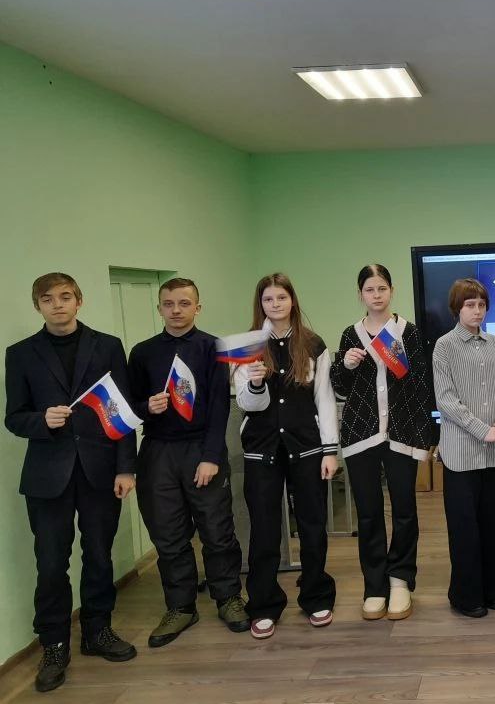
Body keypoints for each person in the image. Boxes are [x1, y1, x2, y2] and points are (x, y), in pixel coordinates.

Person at [5, 273, 137, 693]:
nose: (57, 304)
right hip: (47, 477)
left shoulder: (108, 346)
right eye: (48, 299)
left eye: (65, 297)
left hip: (100, 471)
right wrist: (41, 420)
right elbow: (14, 417)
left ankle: (97, 631)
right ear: (37, 305)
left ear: (79, 301)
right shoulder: (20, 354)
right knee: (50, 564)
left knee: (99, 555)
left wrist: (126, 468)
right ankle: (54, 645)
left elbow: (122, 411)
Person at [126, 277, 249, 647]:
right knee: (168, 534)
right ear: (159, 308)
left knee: (216, 529)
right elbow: (129, 407)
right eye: (168, 304)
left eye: (184, 303)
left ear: (198, 306)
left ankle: (228, 597)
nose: (176, 310)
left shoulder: (212, 347)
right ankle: (180, 606)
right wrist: (147, 407)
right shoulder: (143, 352)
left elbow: (220, 405)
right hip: (158, 450)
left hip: (201, 448)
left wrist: (211, 456)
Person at [234, 273, 339, 640]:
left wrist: (330, 450)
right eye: (268, 299)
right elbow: (248, 404)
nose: (275, 304)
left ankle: (316, 596)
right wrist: (256, 382)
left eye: (281, 297)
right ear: (260, 304)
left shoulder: (312, 344)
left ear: (292, 300)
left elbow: (324, 398)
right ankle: (263, 605)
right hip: (261, 449)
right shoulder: (247, 346)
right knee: (264, 529)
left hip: (307, 447)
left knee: (312, 524)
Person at [332, 264, 436, 621]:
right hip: (360, 437)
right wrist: (345, 365)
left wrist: (425, 437)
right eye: (369, 289)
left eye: (382, 288)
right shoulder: (351, 334)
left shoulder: (408, 332)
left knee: (404, 509)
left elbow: (421, 387)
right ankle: (374, 585)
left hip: (401, 435)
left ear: (391, 290)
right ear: (360, 294)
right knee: (369, 513)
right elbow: (339, 387)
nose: (376, 295)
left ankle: (400, 580)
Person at [432, 278, 495, 618]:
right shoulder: (444, 346)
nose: (477, 311)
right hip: (461, 452)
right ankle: (467, 596)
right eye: (470, 305)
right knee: (465, 529)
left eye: (481, 305)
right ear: (457, 308)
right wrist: (483, 430)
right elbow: (446, 400)